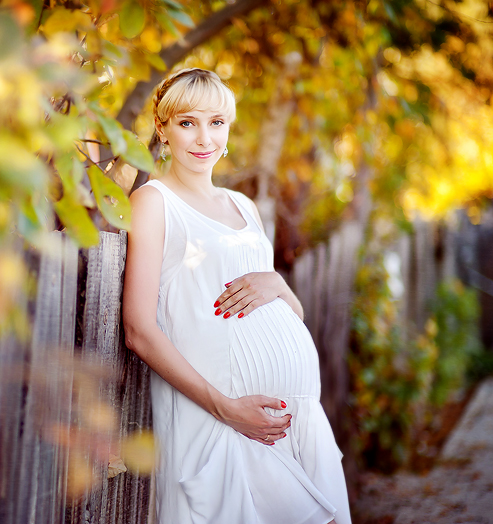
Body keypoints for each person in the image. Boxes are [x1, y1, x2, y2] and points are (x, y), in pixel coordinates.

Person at [122, 68, 351, 524]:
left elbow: (291, 315)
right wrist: (226, 408)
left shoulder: (243, 207)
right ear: (162, 129)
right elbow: (139, 331)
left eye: (216, 122)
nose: (203, 137)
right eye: (187, 122)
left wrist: (280, 285)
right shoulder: (154, 202)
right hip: (219, 423)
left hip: (294, 420)